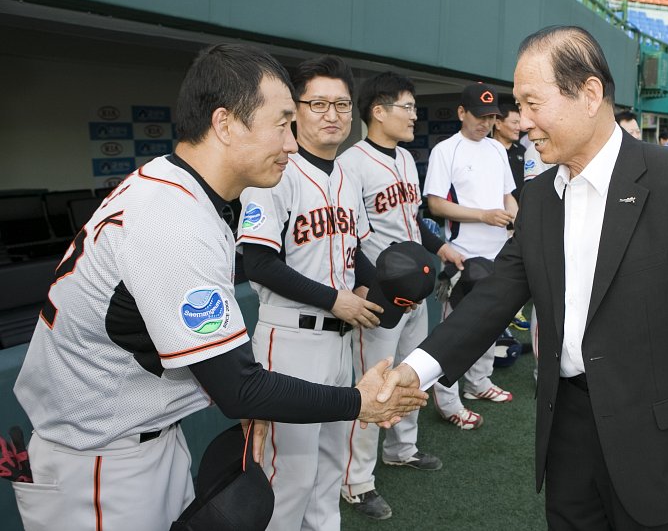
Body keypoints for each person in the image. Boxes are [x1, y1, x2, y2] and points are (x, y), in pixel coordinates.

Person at [10, 44, 426, 531]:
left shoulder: (173, 187)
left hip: (135, 436)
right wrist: (361, 403)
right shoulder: (173, 218)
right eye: (282, 122)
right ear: (225, 123)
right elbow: (240, 389)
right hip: (101, 459)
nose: (291, 143)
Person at [384, 25, 668, 529]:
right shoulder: (538, 199)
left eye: (534, 103)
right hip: (567, 432)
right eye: (518, 105)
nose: (522, 121)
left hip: (660, 440)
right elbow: (492, 298)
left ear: (589, 94)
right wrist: (414, 371)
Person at [236, 55, 380, 531]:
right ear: (295, 110)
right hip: (290, 339)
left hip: (340, 339)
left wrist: (368, 285)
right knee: (289, 477)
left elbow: (353, 247)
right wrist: (333, 298)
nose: (332, 114)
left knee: (328, 471)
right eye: (318, 103)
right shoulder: (276, 171)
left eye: (341, 103)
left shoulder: (347, 172)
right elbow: (256, 261)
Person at [336, 71, 465, 520]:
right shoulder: (351, 163)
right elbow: (349, 238)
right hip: (382, 293)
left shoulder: (407, 159)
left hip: (419, 286)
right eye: (406, 107)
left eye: (413, 107)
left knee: (413, 374)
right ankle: (356, 482)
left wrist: (441, 246)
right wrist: (373, 289)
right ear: (378, 111)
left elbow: (414, 222)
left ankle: (402, 449)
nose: (414, 115)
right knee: (374, 386)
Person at [423, 82, 519, 429]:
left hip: (499, 252)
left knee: (490, 326)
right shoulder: (446, 150)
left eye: (492, 117)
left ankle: (479, 384)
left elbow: (509, 195)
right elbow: (434, 204)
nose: (486, 123)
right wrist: (484, 214)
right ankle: (448, 400)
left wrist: (514, 215)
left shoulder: (496, 149)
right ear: (462, 113)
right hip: (463, 255)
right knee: (457, 332)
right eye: (480, 116)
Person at [493, 102, 533, 332]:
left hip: (517, 222)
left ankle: (508, 333)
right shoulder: (489, 150)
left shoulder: (522, 151)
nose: (520, 127)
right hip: (493, 225)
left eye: (520, 122)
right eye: (514, 122)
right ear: (498, 124)